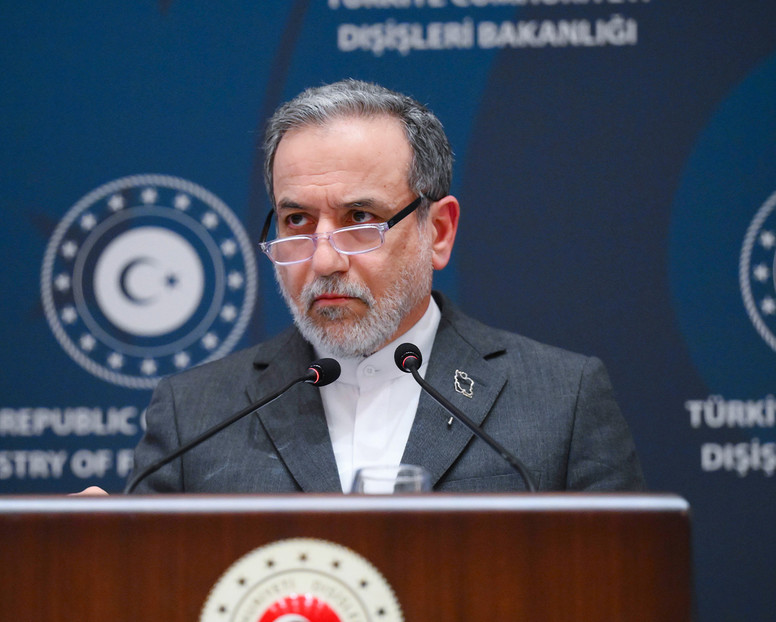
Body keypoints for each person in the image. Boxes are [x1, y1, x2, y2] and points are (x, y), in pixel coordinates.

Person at [127, 79, 643, 494]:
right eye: (297, 220)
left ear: (438, 231)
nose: (324, 260)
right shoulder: (194, 415)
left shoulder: (561, 401)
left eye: (359, 217)